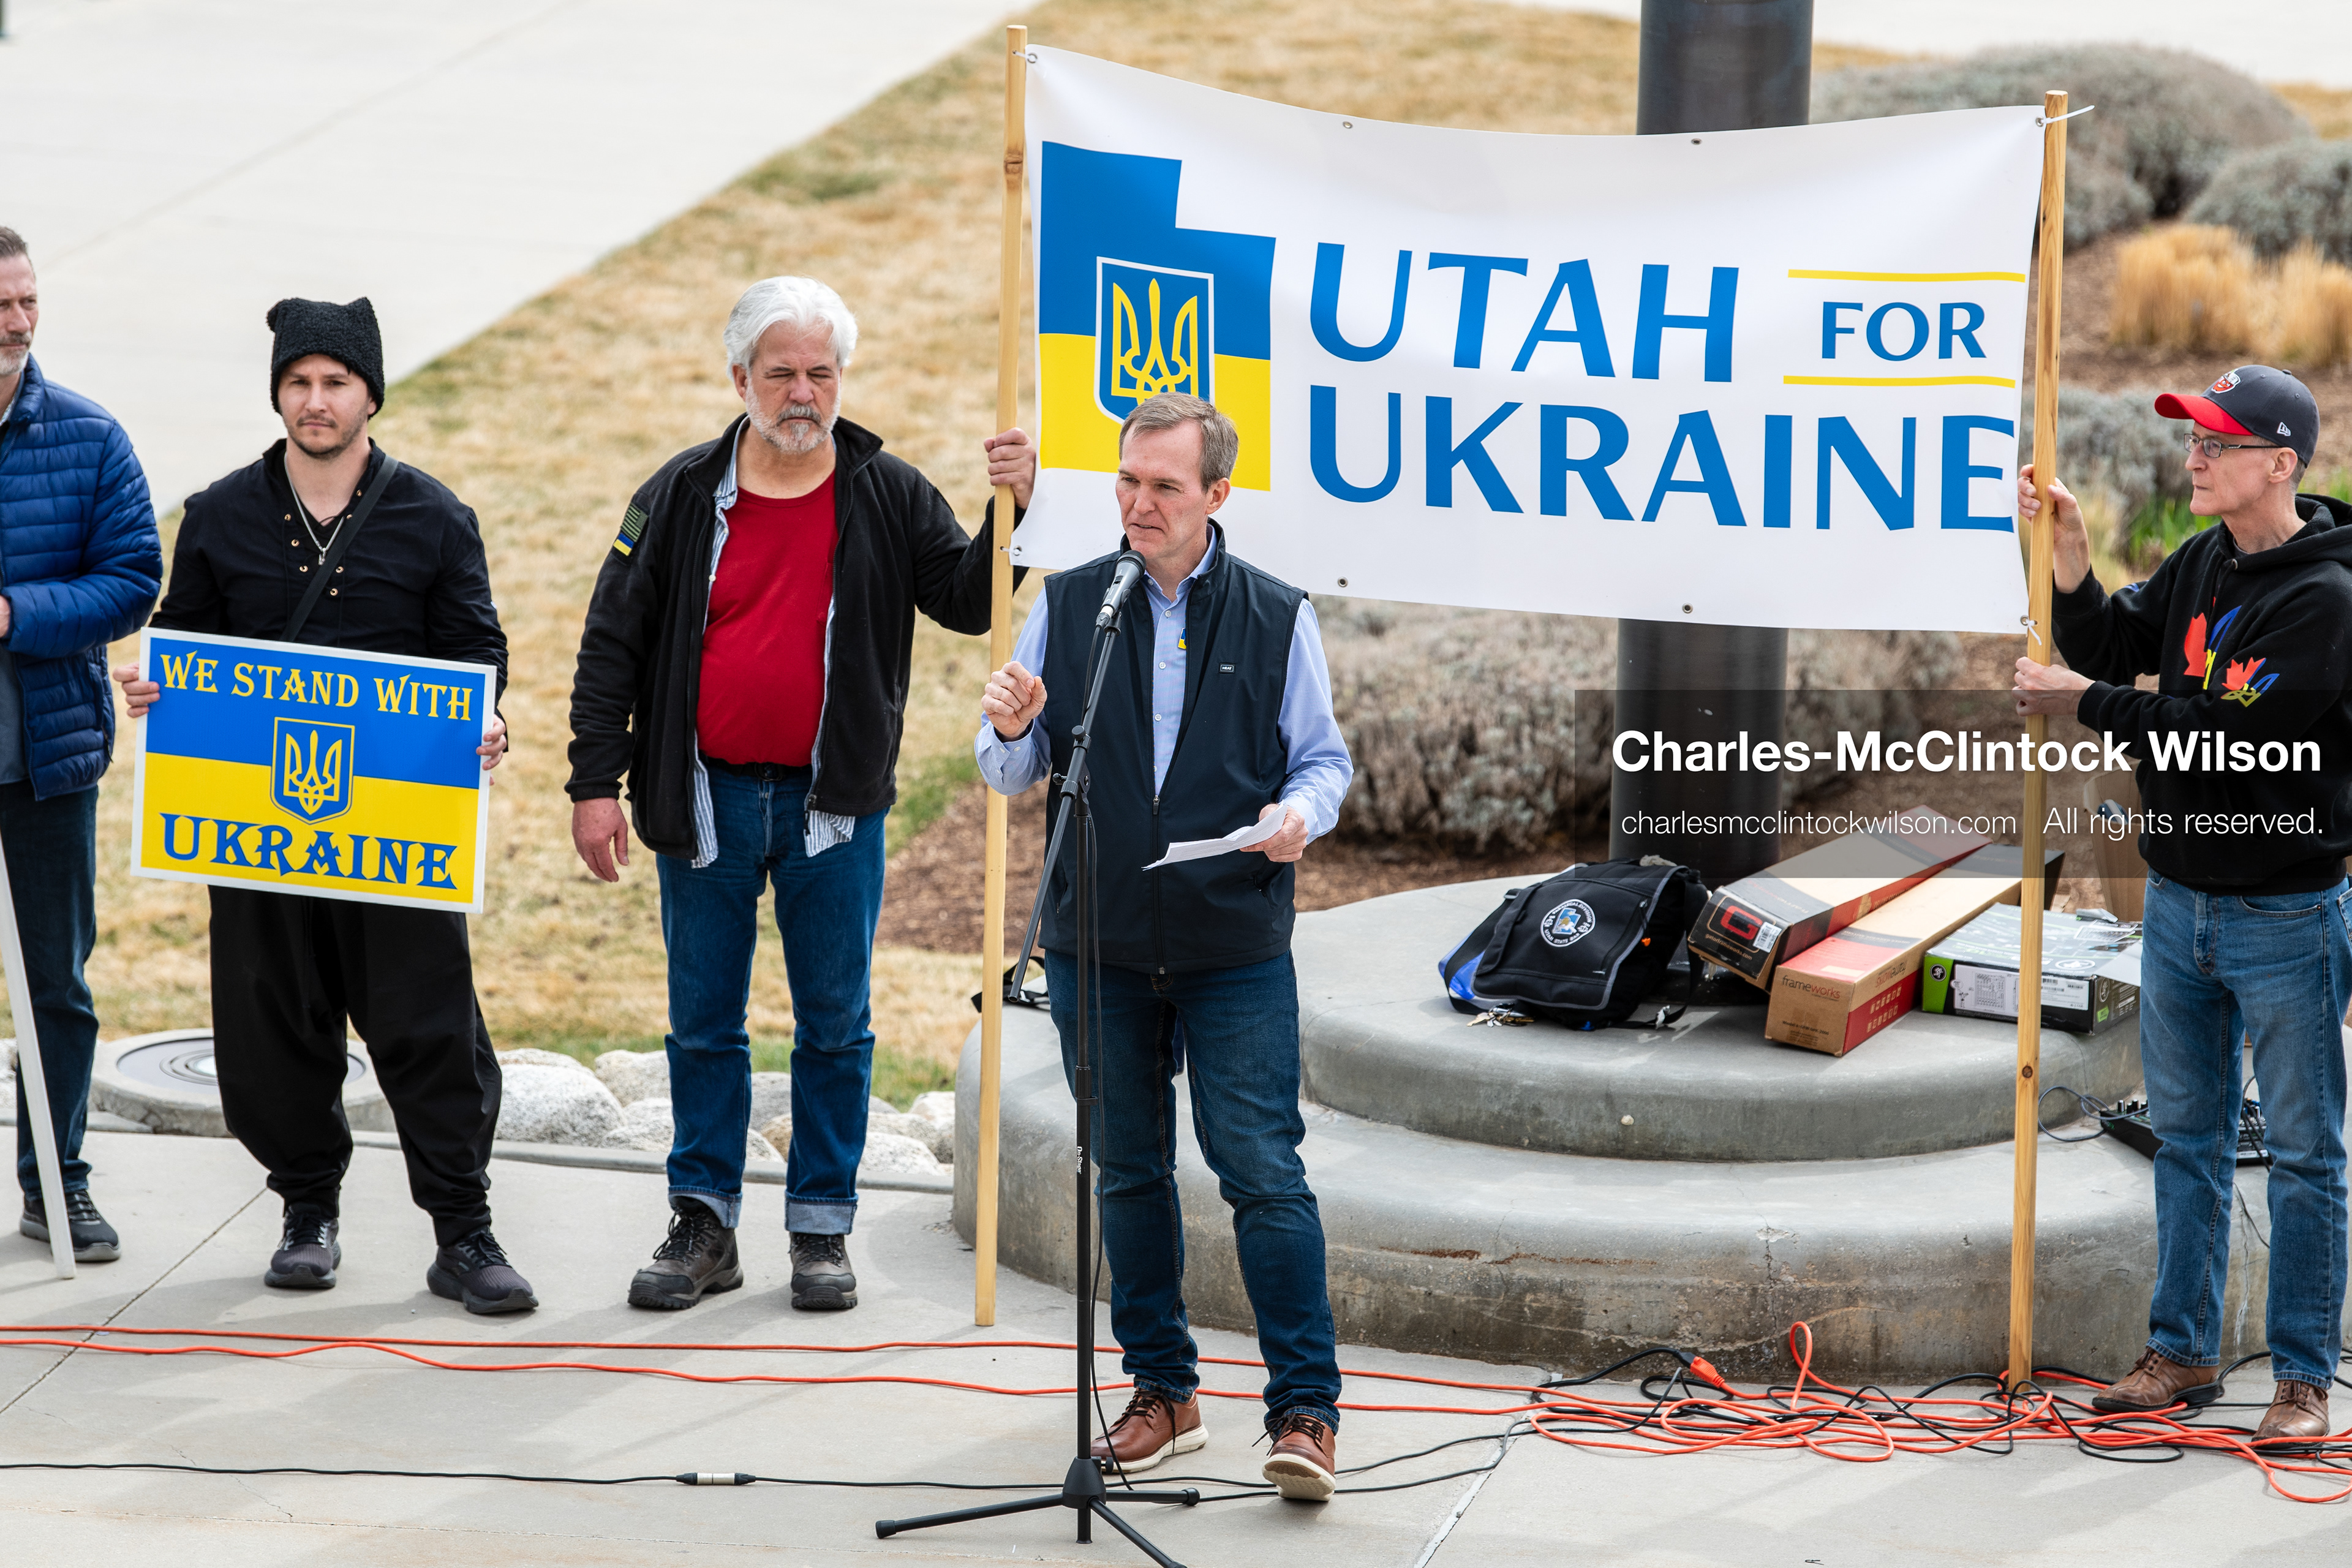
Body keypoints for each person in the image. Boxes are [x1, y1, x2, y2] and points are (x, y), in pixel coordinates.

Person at [566, 276, 1030, 1314]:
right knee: (703, 1021)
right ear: (739, 378)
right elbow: (613, 646)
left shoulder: (886, 491)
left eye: (821, 371)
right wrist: (594, 783)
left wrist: (1019, 509)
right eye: (780, 372)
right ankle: (704, 1223)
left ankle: (822, 1226)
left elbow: (966, 599)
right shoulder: (679, 496)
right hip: (704, 800)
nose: (802, 391)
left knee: (835, 1023)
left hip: (836, 808)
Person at [114, 296, 532, 1313]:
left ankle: (462, 1231)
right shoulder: (219, 514)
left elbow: (476, 647)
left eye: (336, 382)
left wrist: (486, 718)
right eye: (298, 383)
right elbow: (186, 638)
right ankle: (309, 1209)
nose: (316, 401)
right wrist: (155, 689)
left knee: (428, 1024)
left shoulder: (433, 516)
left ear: (369, 395)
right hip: (259, 830)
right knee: (271, 1023)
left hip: (397, 833)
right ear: (278, 395)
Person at [976, 391, 1355, 1501]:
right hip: (1099, 942)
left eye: (1165, 489)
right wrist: (1006, 728)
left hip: (1232, 944)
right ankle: (1164, 1391)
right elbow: (1014, 772)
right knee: (1129, 1171)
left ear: (1217, 496)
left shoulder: (1279, 616)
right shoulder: (1074, 604)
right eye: (1129, 484)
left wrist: (1300, 819)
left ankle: (1305, 1412)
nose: (1139, 506)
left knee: (1262, 1173)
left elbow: (1321, 763)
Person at [2015, 364, 2352, 1446]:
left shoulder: (2327, 601)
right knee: (2189, 1140)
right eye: (2192, 439)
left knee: (2305, 1154)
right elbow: (2115, 648)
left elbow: (2225, 743)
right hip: (2180, 908)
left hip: (2288, 919)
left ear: (2280, 464)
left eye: (2216, 442)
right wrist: (2072, 561)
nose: (2193, 457)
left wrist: (2089, 706)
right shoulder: (2205, 559)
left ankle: (2303, 1379)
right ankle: (2183, 1354)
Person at [0, 227, 164, 1263]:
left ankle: (57, 1183)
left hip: (43, 765)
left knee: (55, 983)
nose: (17, 326)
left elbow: (132, 576)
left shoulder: (89, 437)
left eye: (27, 303)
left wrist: (16, 615)